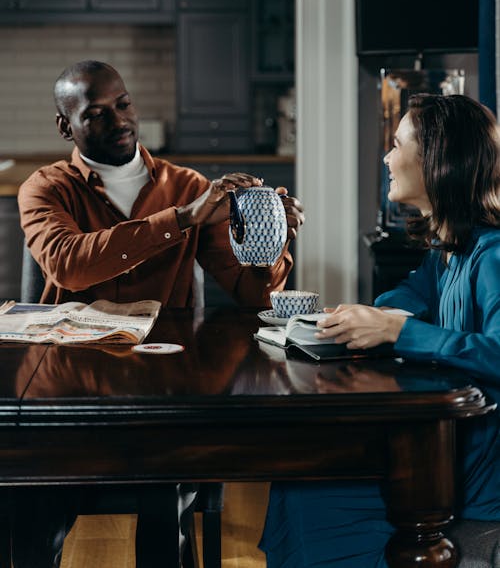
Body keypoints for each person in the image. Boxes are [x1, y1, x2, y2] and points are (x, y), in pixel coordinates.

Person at [16, 59, 305, 568]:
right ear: (66, 126)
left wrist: (271, 246)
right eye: (97, 114)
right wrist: (183, 220)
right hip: (67, 395)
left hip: (162, 387)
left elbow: (252, 296)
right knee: (32, 504)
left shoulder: (186, 183)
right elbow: (70, 264)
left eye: (123, 105)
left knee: (162, 492)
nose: (119, 120)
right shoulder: (45, 187)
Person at [260, 93, 500, 568]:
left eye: (396, 144)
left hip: (474, 474)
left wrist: (396, 331)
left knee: (310, 490)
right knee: (295, 478)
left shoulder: (492, 255)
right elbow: (414, 292)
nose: (386, 158)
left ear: (436, 159)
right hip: (446, 450)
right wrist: (367, 315)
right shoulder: (452, 248)